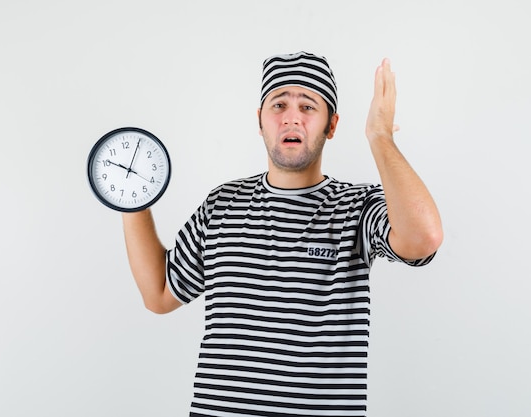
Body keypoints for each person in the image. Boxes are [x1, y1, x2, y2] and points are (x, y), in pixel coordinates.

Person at [122, 51, 443, 416]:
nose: (292, 116)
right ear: (260, 120)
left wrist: (380, 136)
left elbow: (423, 238)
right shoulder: (222, 204)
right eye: (278, 104)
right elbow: (160, 294)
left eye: (308, 107)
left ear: (331, 125)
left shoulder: (356, 208)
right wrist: (131, 196)